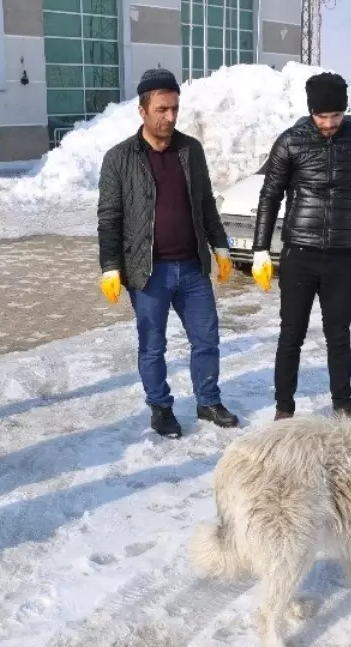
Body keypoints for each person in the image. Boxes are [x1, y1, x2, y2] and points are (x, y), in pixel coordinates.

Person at [96, 68, 239, 439]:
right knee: (153, 346)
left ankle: (208, 401)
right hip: (148, 272)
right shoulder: (119, 158)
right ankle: (160, 407)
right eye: (162, 109)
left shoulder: (190, 150)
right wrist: (111, 267)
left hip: (192, 268)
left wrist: (220, 246)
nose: (170, 117)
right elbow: (109, 218)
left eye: (175, 108)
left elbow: (205, 203)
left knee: (206, 340)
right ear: (142, 111)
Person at [251, 72, 351, 422]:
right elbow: (269, 195)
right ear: (311, 111)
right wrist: (259, 250)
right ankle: (284, 409)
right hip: (299, 253)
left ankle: (343, 408)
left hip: (341, 256)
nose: (329, 124)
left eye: (336, 116)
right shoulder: (290, 141)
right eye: (321, 116)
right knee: (291, 335)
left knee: (338, 336)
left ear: (345, 110)